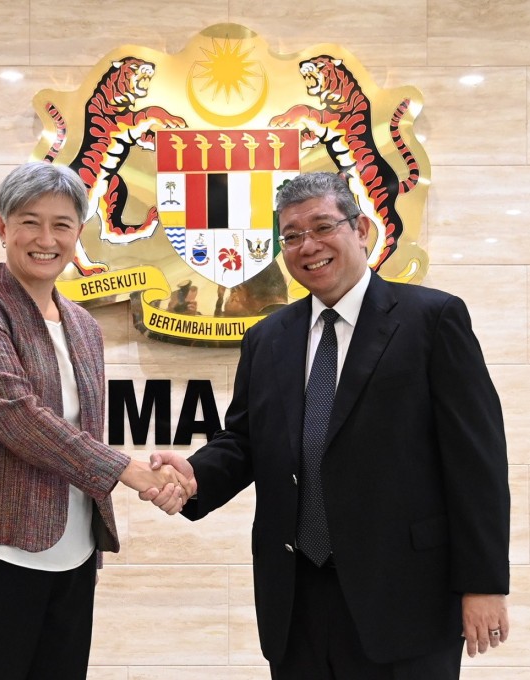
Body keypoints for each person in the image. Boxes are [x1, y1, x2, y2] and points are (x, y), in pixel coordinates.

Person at [145, 172, 510, 679]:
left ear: (360, 229)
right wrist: (196, 475)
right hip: (296, 600)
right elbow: (246, 439)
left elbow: (476, 462)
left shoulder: (432, 320)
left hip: (405, 597)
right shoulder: (268, 337)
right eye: (292, 235)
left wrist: (483, 583)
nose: (308, 246)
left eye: (322, 227)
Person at [0, 161, 191, 680]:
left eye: (62, 225)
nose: (46, 239)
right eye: (30, 222)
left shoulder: (84, 325)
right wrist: (128, 470)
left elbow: (81, 431)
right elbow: (18, 416)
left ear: (78, 233)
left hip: (72, 555)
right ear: (2, 228)